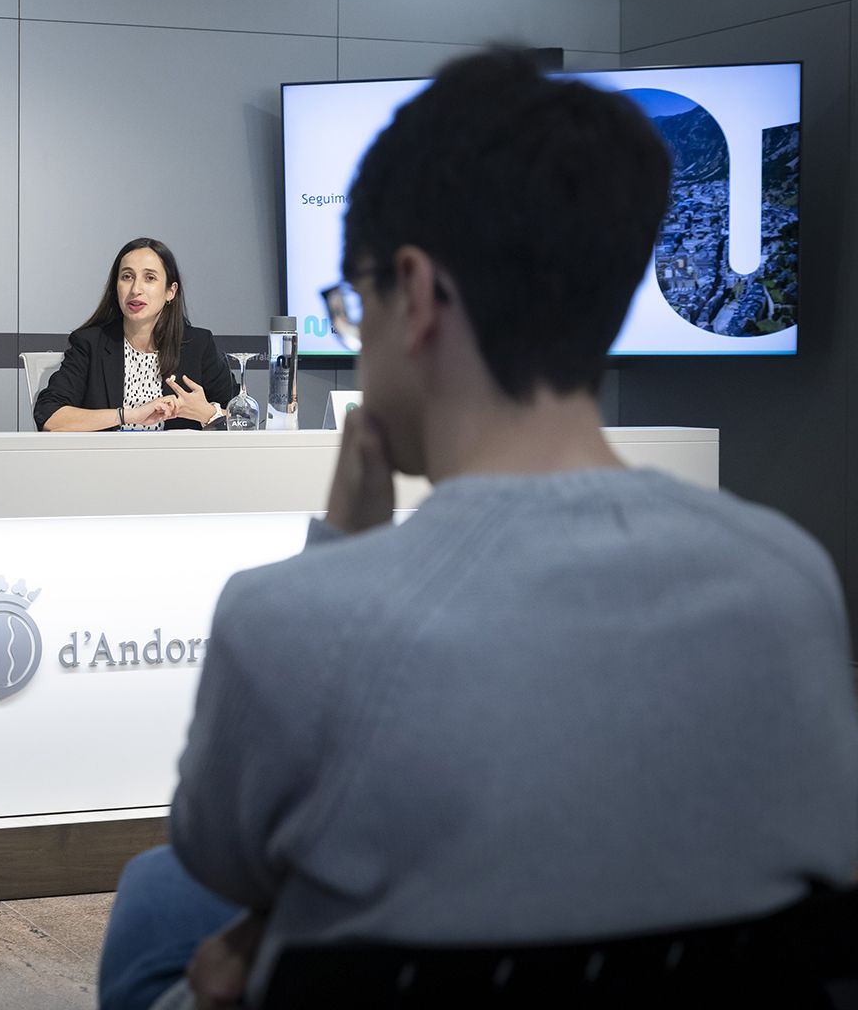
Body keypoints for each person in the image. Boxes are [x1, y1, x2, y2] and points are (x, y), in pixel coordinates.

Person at [99, 49, 858, 1010]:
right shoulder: (790, 582)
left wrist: (339, 557)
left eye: (354, 301)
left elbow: (223, 863)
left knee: (163, 910)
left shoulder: (283, 619)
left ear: (414, 297)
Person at [35, 237, 236, 431]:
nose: (135, 289)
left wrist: (208, 413)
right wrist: (129, 415)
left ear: (170, 292)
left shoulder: (197, 345)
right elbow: (50, 416)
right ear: (116, 288)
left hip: (178, 464)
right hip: (105, 463)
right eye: (127, 277)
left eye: (150, 278)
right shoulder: (90, 343)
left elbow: (244, 419)